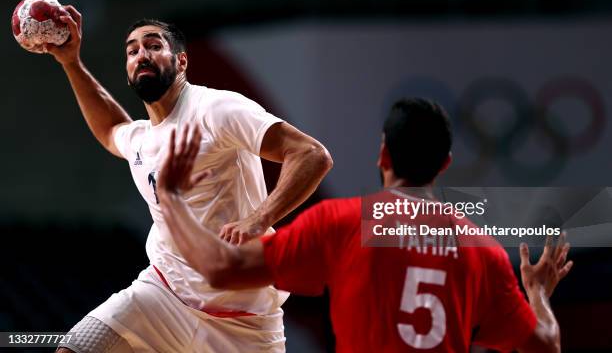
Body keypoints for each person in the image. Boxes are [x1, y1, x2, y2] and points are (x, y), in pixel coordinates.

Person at [156, 99, 573, 353]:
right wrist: (537, 292)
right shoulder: (483, 251)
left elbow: (219, 268)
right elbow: (545, 343)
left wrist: (171, 196)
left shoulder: (339, 223)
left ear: (383, 155)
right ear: (445, 165)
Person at [46, 7, 333, 352]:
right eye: (132, 50)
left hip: (242, 319)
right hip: (163, 295)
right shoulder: (142, 139)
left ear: (181, 62)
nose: (141, 54)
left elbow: (311, 155)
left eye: (153, 45)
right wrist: (71, 62)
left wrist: (261, 217)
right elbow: (109, 129)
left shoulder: (215, 108)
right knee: (72, 348)